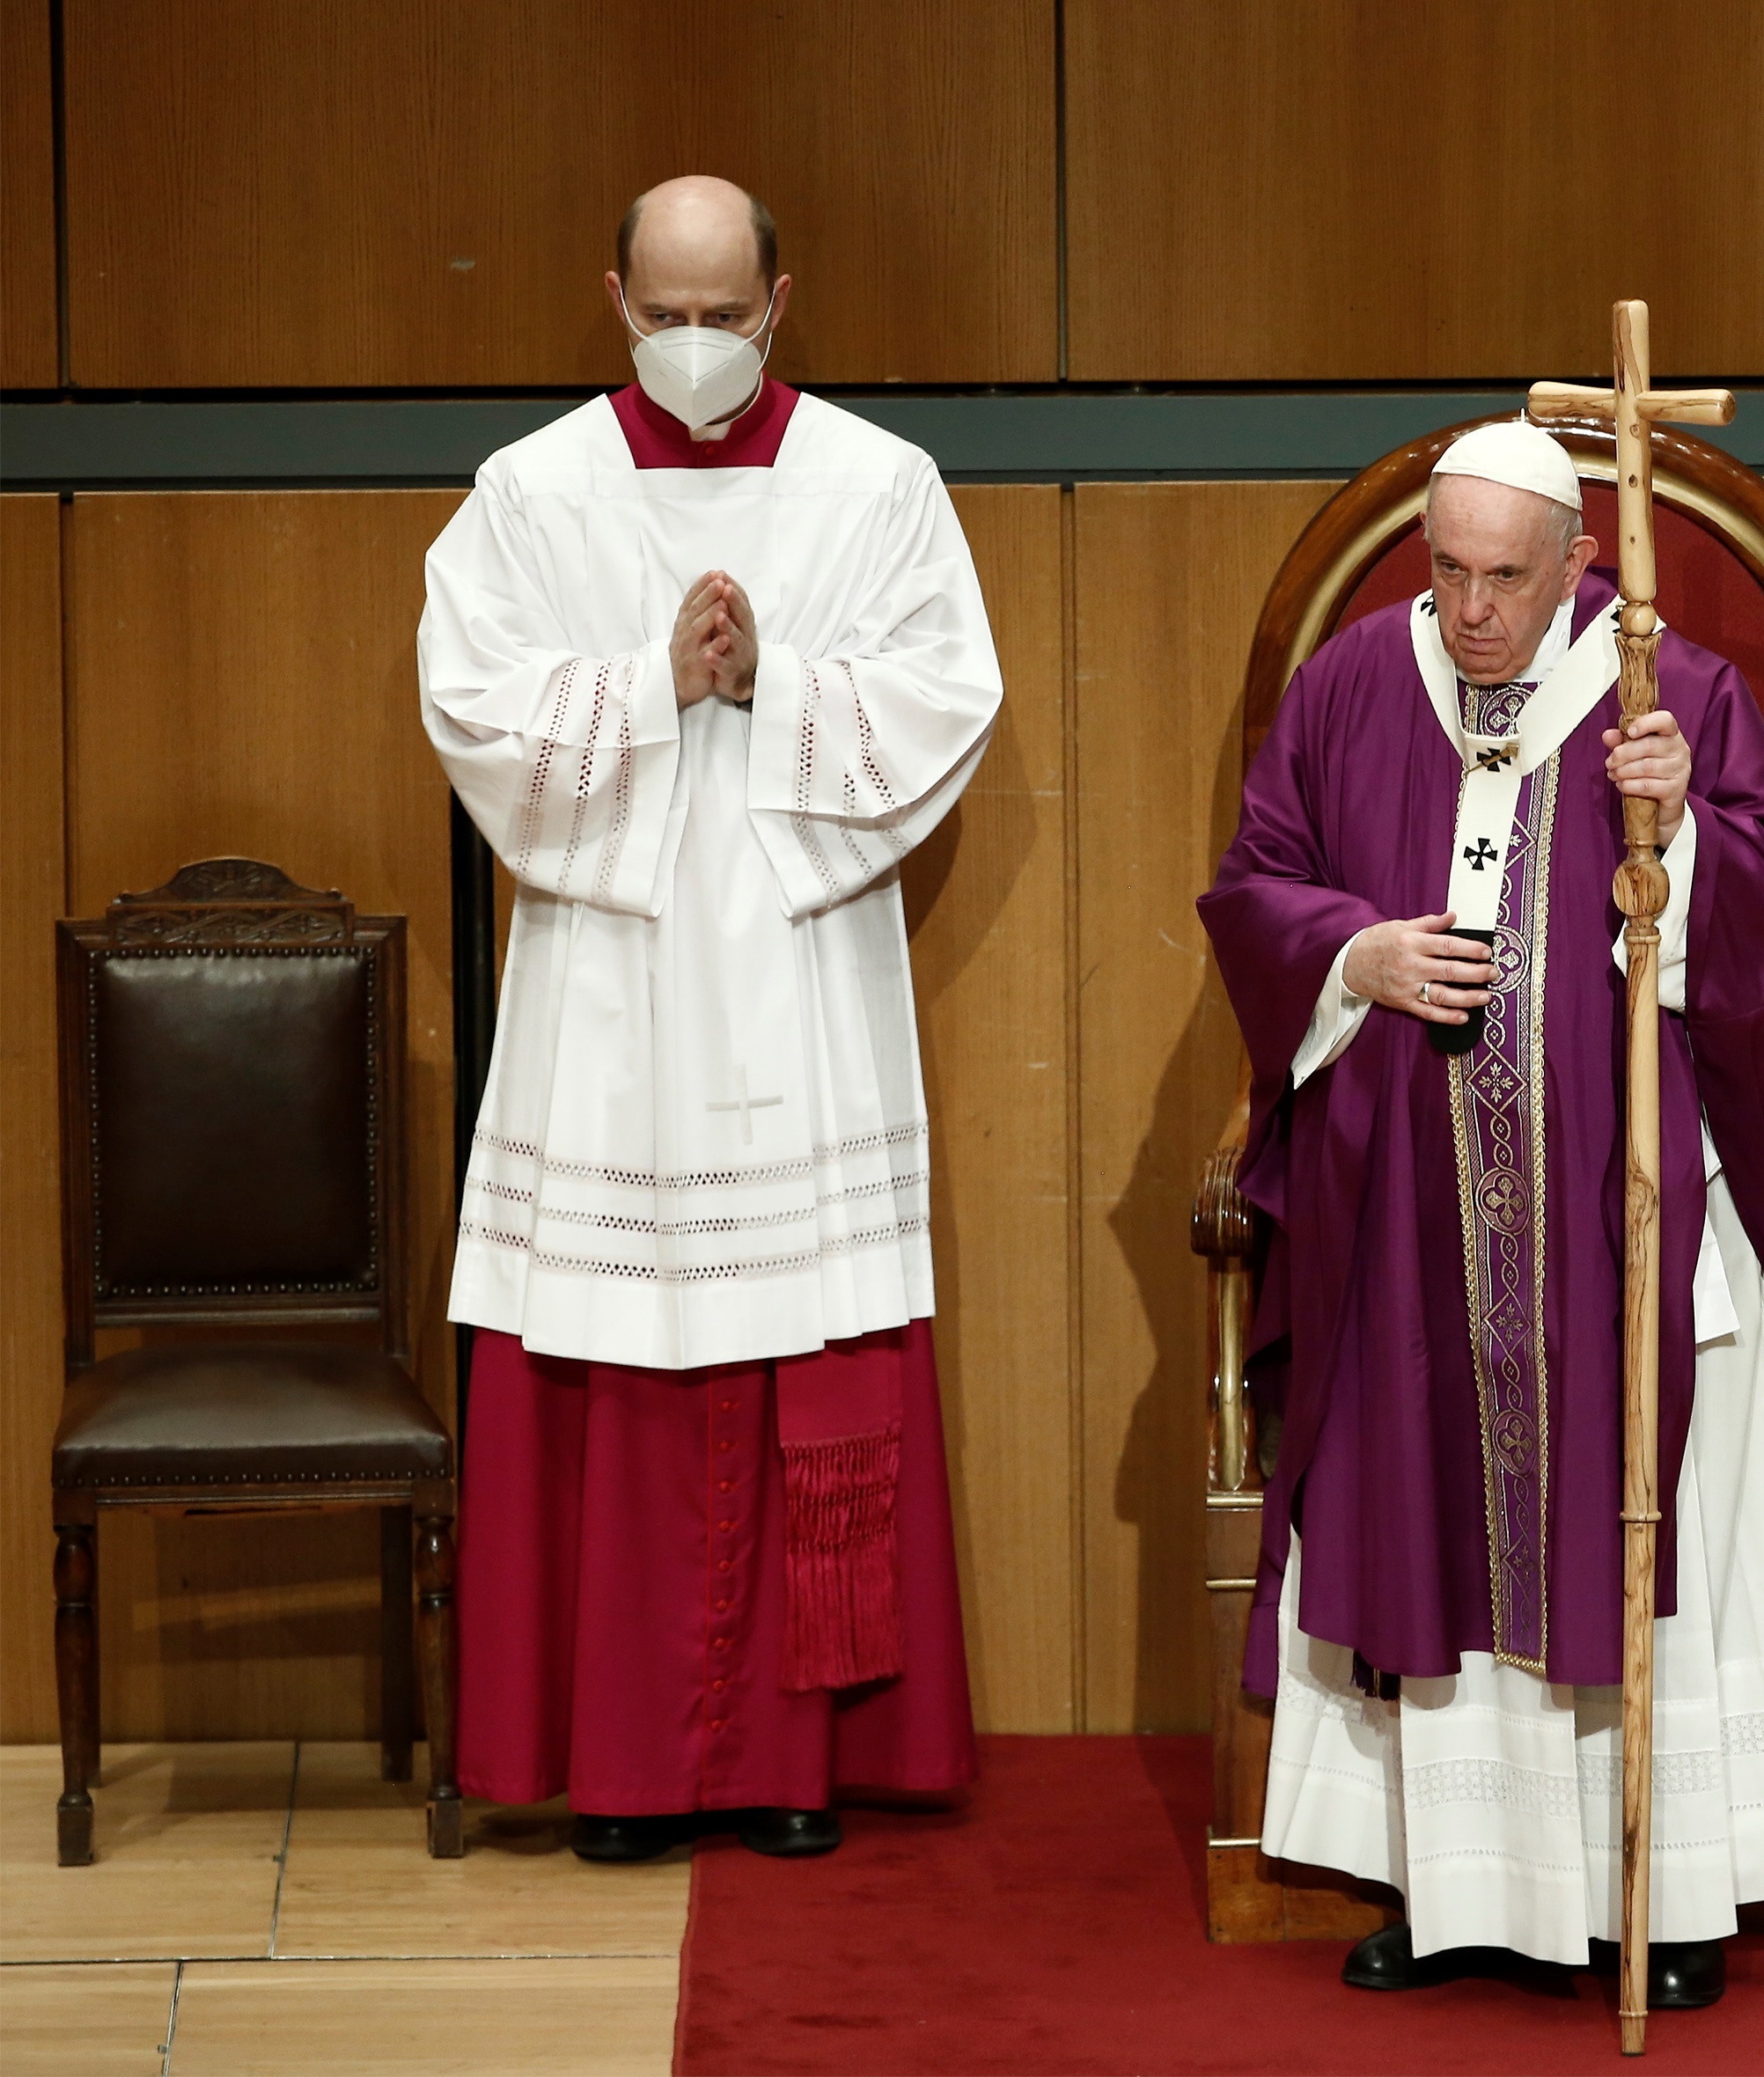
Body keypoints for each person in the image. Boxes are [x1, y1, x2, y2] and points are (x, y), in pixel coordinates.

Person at [1199, 422, 1764, 2006]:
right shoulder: (1358, 681)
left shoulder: (1672, 696)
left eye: (1507, 577)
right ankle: (1456, 1890)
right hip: (1411, 1224)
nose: (1475, 609)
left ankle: (1673, 1890)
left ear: (1584, 563)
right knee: (1428, 1511)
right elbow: (1256, 884)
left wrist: (1685, 838)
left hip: (1623, 1223)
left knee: (1642, 1521)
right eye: (1448, 570)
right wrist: (1352, 957)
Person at [421, 175, 998, 1861]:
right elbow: (469, 704)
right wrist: (650, 682)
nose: (691, 348)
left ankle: (794, 1765)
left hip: (801, 976)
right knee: (616, 1361)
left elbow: (947, 699)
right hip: (612, 986)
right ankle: (624, 1767)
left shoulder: (879, 488)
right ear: (615, 298)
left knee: (802, 1355)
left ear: (778, 300)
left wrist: (776, 681)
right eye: (660, 317)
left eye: (721, 318)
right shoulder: (529, 495)